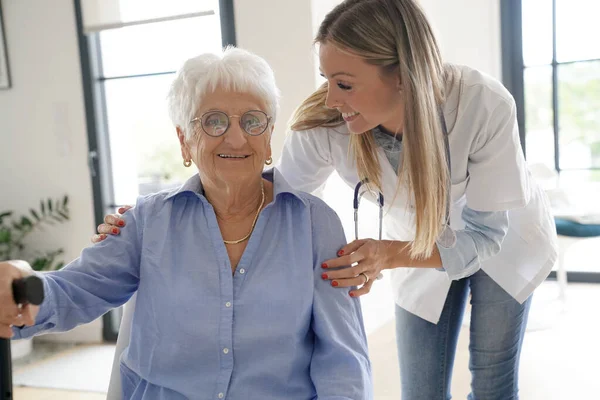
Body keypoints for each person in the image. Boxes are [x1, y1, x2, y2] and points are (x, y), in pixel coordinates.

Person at [94, 0, 558, 399]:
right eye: (326, 78)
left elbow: (483, 233)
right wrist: (154, 215)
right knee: (421, 389)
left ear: (401, 76)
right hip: (415, 244)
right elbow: (268, 193)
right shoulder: (325, 124)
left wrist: (388, 256)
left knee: (492, 383)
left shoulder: (481, 104)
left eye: (345, 82)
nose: (330, 96)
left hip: (501, 242)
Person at [0, 47, 373, 400]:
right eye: (214, 121)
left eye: (253, 120)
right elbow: (74, 291)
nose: (237, 136)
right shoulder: (147, 221)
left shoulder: (314, 224)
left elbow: (343, 359)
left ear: (269, 136)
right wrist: (22, 286)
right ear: (184, 141)